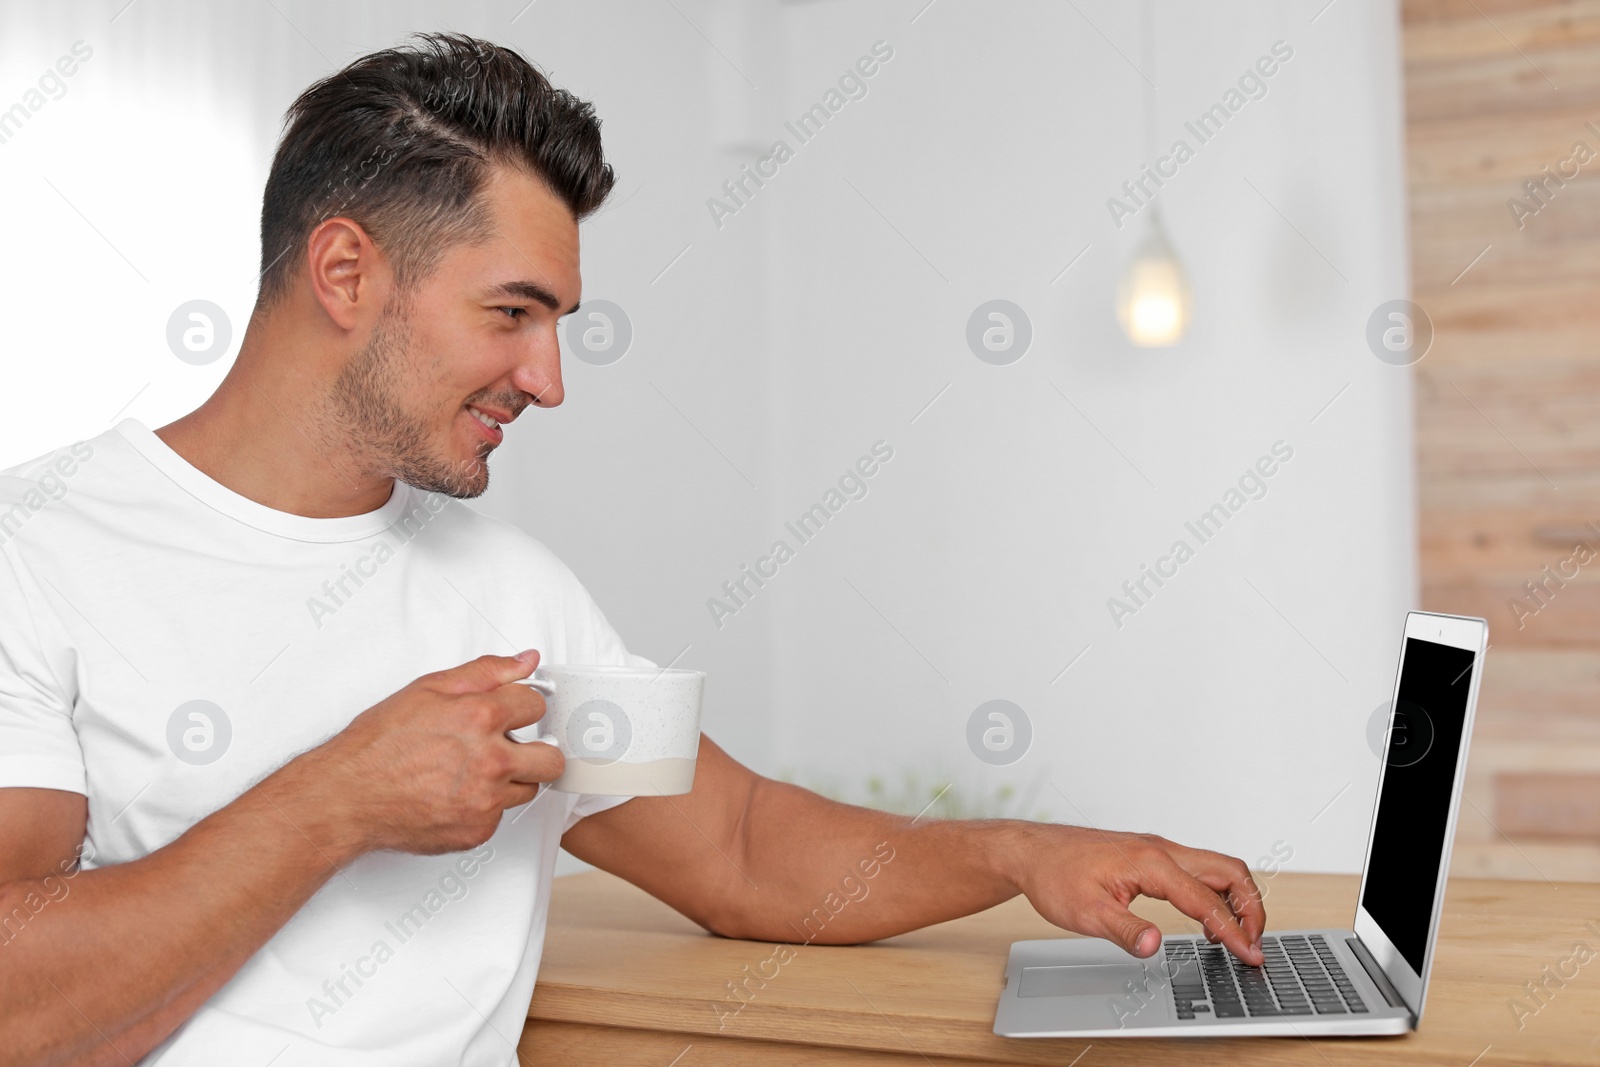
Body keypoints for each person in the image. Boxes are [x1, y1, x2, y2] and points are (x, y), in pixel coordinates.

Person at [0, 32, 1264, 1066]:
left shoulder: (514, 591)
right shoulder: (37, 551)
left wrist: (1021, 850)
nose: (547, 380)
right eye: (511, 313)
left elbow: (740, 846)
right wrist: (339, 797)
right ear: (344, 270)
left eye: (558, 324)